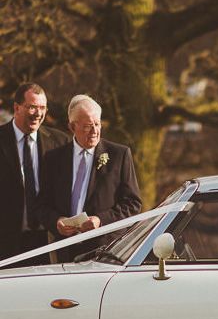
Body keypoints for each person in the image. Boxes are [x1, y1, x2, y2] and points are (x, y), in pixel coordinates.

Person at [38, 94, 142, 261]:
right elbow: (41, 205)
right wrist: (56, 221)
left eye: (97, 124)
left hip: (106, 251)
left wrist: (100, 220)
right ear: (72, 127)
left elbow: (133, 203)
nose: (95, 131)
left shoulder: (119, 155)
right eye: (87, 126)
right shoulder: (53, 158)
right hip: (65, 250)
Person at [0, 83, 69, 265]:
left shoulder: (60, 142)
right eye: (32, 107)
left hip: (47, 241)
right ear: (16, 107)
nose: (38, 114)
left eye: (42, 108)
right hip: (6, 242)